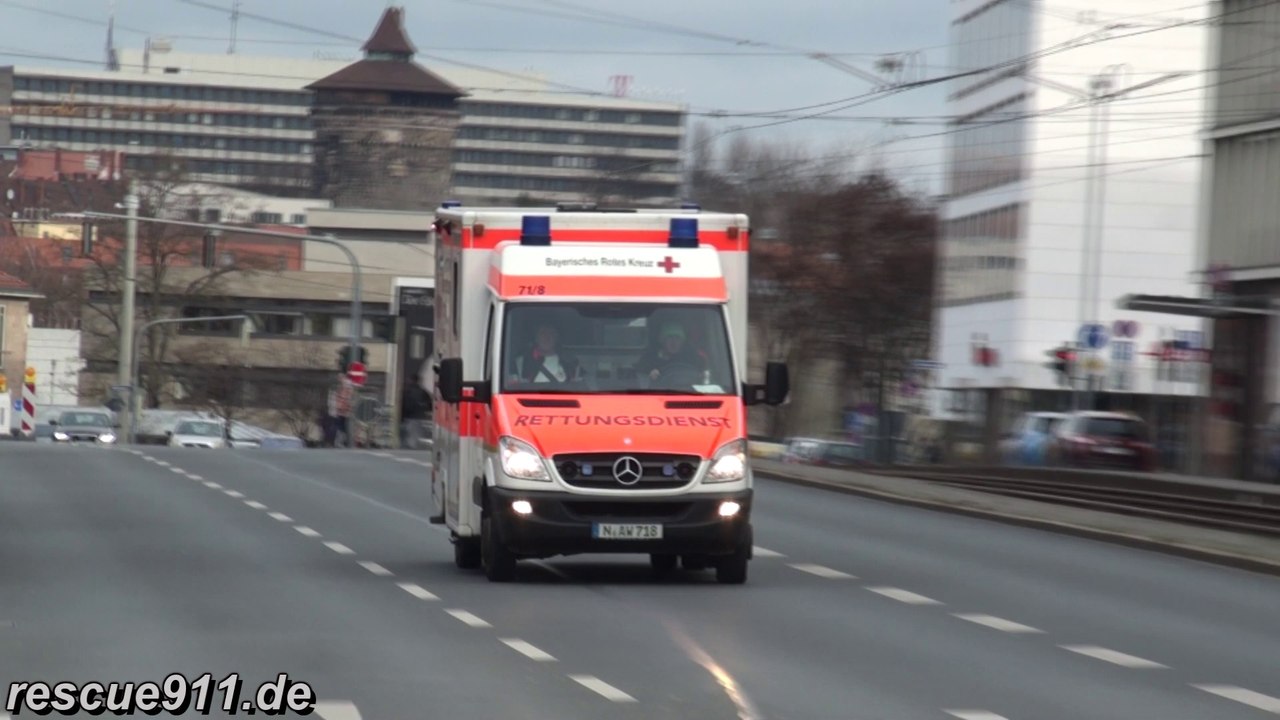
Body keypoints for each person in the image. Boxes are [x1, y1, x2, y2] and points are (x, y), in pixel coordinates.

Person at [635, 322, 707, 382]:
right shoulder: (650, 357)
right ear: (662, 340)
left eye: (677, 338)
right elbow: (640, 370)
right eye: (670, 337)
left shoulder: (691, 357)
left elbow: (704, 370)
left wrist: (702, 374)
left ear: (682, 342)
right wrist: (649, 372)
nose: (674, 341)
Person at [511, 323, 581, 384]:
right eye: (543, 333)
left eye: (551, 333)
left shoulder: (571, 362)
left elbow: (580, 387)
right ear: (536, 338)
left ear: (557, 337)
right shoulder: (521, 363)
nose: (547, 337)